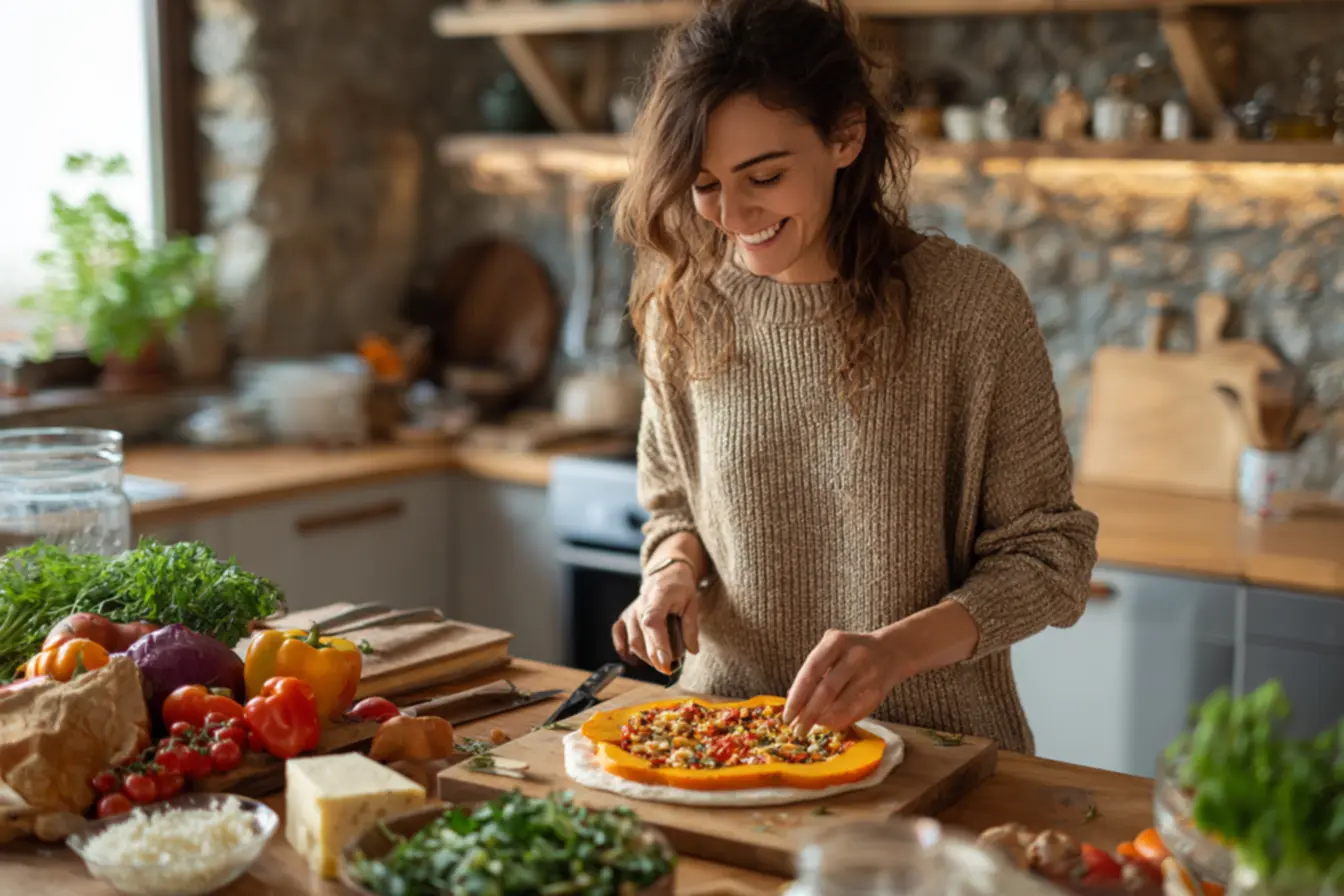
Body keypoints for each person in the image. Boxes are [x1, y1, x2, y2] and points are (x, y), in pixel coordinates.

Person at [609, 0, 1099, 755]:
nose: (733, 216)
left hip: (935, 752)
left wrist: (893, 654)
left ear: (845, 136)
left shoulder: (970, 307)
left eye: (763, 176)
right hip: (722, 743)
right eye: (704, 185)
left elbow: (1050, 557)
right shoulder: (687, 304)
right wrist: (671, 572)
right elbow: (674, 504)